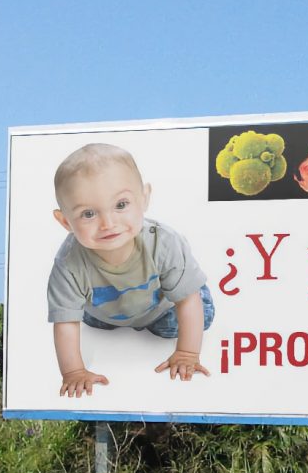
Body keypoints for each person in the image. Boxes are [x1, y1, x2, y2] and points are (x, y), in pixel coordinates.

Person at [47, 143, 214, 397]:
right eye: (88, 214)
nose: (108, 223)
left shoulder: (163, 242)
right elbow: (65, 322)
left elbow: (187, 301)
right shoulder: (69, 264)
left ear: (144, 198)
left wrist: (187, 353)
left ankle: (185, 278)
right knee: (88, 320)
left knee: (197, 312)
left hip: (159, 306)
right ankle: (118, 318)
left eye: (121, 205)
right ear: (65, 222)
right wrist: (73, 372)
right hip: (104, 312)